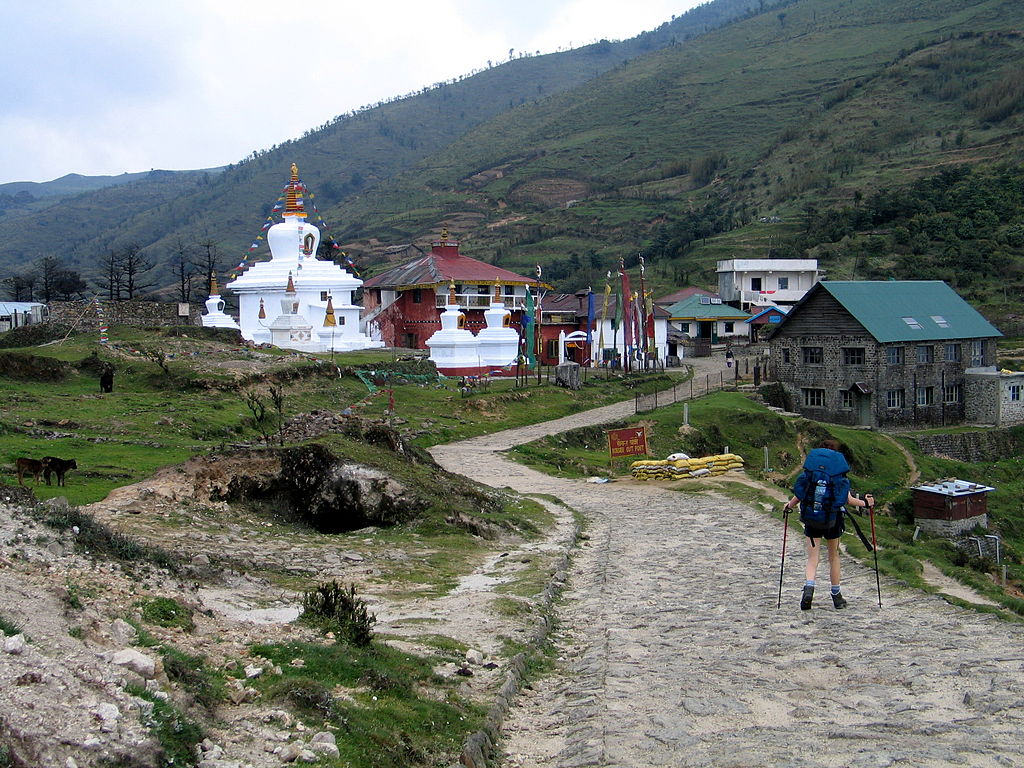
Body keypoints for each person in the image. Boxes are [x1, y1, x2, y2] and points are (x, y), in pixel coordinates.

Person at [783, 439, 873, 610]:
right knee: (834, 557)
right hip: (833, 519)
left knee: (812, 558)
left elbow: (800, 493)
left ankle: (809, 588)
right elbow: (848, 500)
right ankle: (836, 596)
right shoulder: (837, 473)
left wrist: (789, 505)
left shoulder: (812, 471)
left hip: (812, 517)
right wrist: (866, 504)